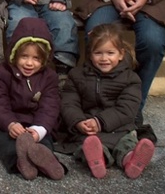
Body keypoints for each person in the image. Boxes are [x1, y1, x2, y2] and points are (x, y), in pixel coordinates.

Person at [61, 23, 155, 179]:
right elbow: (69, 103)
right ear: (90, 54)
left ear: (120, 54)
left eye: (110, 53)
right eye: (98, 53)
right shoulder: (77, 75)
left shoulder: (130, 79)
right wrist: (78, 121)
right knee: (88, 144)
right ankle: (99, 159)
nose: (104, 58)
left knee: (126, 143)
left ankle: (131, 159)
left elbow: (127, 109)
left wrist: (100, 122)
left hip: (119, 127)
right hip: (87, 127)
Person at [0, 17, 65, 180]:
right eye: (24, 57)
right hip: (8, 123)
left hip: (36, 121)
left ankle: (50, 162)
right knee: (8, 143)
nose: (29, 63)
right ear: (14, 54)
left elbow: (50, 106)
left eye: (36, 58)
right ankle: (19, 162)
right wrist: (10, 123)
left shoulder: (49, 77)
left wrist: (39, 130)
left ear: (44, 59)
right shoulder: (2, 73)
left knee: (44, 142)